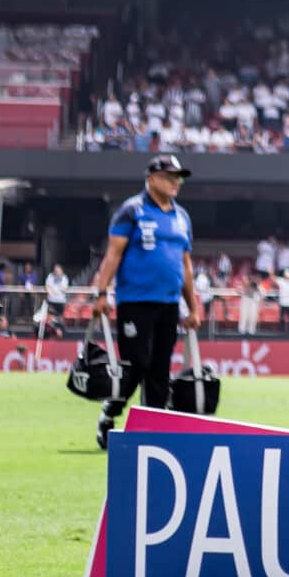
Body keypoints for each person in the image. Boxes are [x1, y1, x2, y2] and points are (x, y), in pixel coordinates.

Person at [90, 154, 205, 447]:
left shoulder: (182, 217)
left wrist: (192, 307)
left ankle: (154, 433)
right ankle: (110, 413)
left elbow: (185, 265)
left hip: (169, 304)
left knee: (160, 369)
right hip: (135, 302)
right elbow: (113, 255)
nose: (175, 183)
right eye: (169, 177)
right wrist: (101, 293)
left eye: (178, 178)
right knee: (136, 364)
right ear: (151, 179)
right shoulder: (132, 211)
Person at [44, 264, 68, 337]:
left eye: (58, 270)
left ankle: (61, 333)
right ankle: (52, 332)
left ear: (61, 270)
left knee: (60, 319)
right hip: (51, 301)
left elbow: (64, 288)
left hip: (60, 302)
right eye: (55, 270)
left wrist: (55, 289)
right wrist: (51, 292)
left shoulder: (64, 278)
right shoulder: (50, 276)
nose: (57, 272)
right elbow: (47, 287)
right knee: (50, 319)